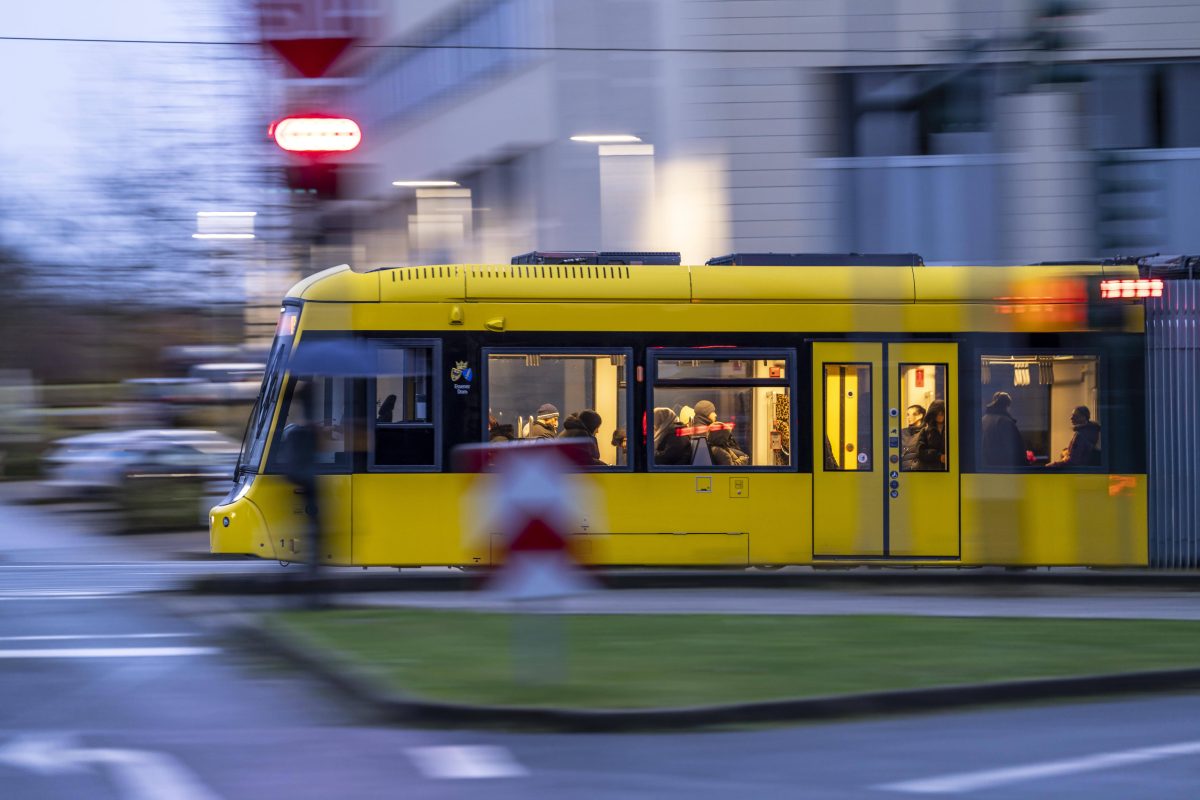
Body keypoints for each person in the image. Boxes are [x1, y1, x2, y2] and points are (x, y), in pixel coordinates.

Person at [693, 400, 749, 467]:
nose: (715, 415)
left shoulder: (698, 431)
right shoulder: (707, 433)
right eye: (713, 412)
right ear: (706, 413)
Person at [980, 392, 1025, 468]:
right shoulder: (1005, 422)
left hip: (987, 470)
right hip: (1004, 471)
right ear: (1007, 406)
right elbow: (1017, 452)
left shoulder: (983, 420)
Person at [915, 399, 947, 470]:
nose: (939, 416)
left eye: (941, 414)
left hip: (949, 470)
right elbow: (920, 451)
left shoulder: (951, 430)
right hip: (931, 469)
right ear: (933, 414)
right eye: (936, 414)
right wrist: (938, 456)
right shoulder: (925, 431)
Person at [900, 404, 925, 470]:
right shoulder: (902, 432)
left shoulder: (926, 432)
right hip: (901, 472)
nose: (908, 417)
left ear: (920, 416)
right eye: (907, 415)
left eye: (912, 414)